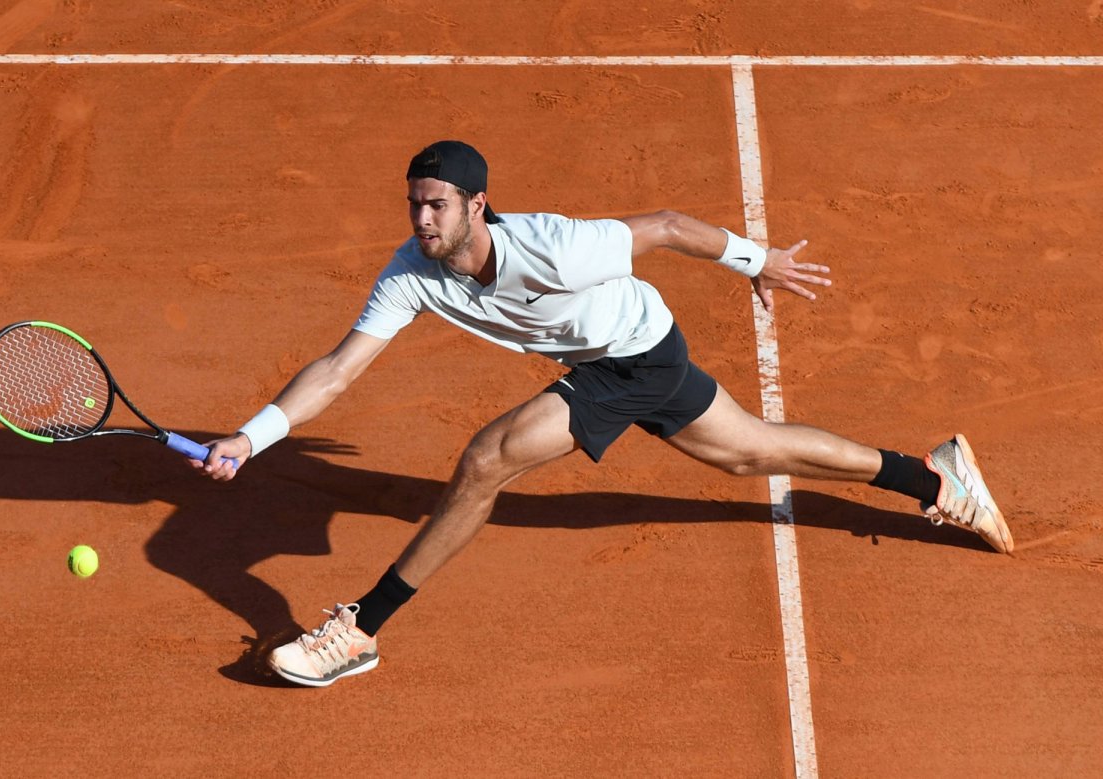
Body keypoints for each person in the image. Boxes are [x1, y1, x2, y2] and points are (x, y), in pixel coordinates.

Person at [191, 140, 1013, 688]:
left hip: (638, 353)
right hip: (617, 355)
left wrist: (759, 262)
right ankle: (934, 476)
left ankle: (362, 629)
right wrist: (253, 436)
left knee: (487, 459)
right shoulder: (411, 272)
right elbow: (337, 370)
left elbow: (663, 226)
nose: (421, 220)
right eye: (414, 205)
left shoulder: (554, 245)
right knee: (749, 451)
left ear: (479, 205)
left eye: (437, 205)